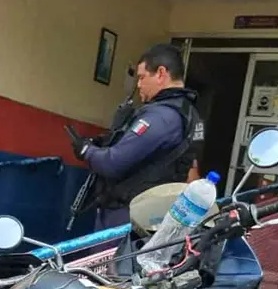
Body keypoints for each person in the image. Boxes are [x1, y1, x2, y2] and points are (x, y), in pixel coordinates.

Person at [70, 43, 206, 233]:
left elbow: (112, 163)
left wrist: (86, 150)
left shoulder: (161, 117)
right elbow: (191, 172)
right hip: (156, 216)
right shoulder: (190, 114)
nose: (139, 85)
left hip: (128, 217)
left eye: (142, 77)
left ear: (161, 73)